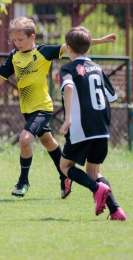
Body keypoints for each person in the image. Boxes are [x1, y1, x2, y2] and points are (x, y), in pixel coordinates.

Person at [0, 17, 117, 199]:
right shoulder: (14, 56)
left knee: (25, 139)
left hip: (43, 107)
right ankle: (64, 175)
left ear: (32, 36)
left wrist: (102, 40)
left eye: (20, 39)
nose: (17, 43)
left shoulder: (44, 52)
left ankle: (23, 182)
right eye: (14, 40)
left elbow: (74, 45)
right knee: (48, 142)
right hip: (27, 109)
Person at [59, 26, 126, 220]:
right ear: (88, 48)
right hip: (102, 127)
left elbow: (69, 87)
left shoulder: (68, 68)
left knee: (65, 167)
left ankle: (96, 189)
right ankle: (116, 211)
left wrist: (68, 118)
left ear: (68, 48)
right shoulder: (97, 68)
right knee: (94, 170)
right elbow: (112, 97)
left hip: (81, 126)